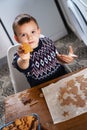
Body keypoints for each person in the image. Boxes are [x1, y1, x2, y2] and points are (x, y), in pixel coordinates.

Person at [12, 14, 77, 87]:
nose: (30, 37)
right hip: (42, 89)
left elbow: (54, 55)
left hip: (62, 78)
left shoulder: (47, 41)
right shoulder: (21, 54)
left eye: (33, 32)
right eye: (23, 35)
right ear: (17, 39)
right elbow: (23, 66)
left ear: (38, 31)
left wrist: (63, 59)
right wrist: (25, 59)